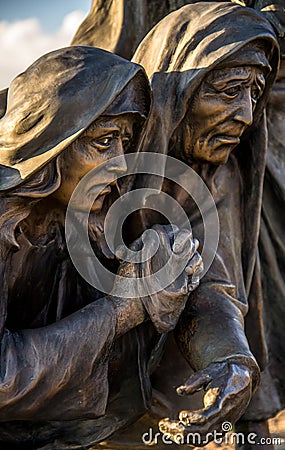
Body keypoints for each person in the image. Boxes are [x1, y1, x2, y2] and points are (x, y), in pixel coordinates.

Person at [0, 46, 203, 448]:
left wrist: (160, 260)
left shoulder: (92, 213)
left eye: (125, 142)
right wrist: (124, 308)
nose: (120, 162)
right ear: (51, 143)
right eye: (104, 140)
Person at [130, 2, 279, 446]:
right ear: (178, 86)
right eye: (229, 90)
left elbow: (212, 279)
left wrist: (230, 358)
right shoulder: (100, 159)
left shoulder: (220, 169)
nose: (247, 115)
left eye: (255, 93)